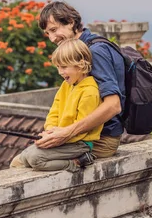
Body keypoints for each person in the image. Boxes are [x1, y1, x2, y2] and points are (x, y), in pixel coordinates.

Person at [34, 1, 126, 159]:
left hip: (99, 139)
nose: (52, 38)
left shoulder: (93, 52)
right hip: (84, 136)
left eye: (54, 30)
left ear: (70, 22)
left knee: (29, 160)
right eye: (48, 33)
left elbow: (113, 105)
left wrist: (67, 132)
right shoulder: (80, 48)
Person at [9, 38, 103, 172]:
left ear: (80, 65)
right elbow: (55, 110)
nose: (60, 72)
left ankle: (75, 163)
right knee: (21, 159)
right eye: (58, 67)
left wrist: (57, 137)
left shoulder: (90, 91)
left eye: (64, 67)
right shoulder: (67, 85)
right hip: (61, 139)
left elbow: (82, 127)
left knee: (35, 159)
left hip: (79, 143)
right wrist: (50, 130)